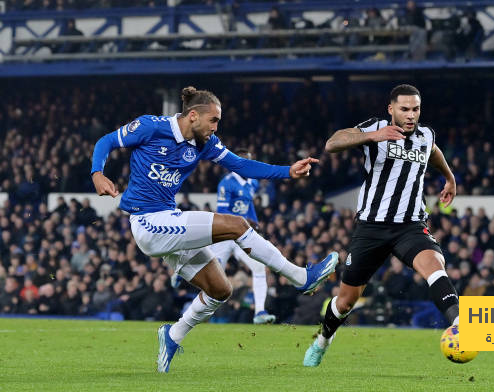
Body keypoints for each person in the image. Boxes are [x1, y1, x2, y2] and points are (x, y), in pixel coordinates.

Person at [91, 86, 339, 373]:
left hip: (169, 221)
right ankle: (300, 277)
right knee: (236, 224)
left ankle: (173, 336)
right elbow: (106, 141)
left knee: (221, 290)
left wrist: (287, 171)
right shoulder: (150, 126)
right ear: (193, 115)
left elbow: (241, 164)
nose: (216, 127)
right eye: (214, 120)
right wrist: (97, 173)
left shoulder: (205, 143)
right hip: (147, 221)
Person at [303, 84, 460, 367]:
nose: (411, 115)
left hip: (410, 225)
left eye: (415, 109)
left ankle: (459, 327)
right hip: (371, 227)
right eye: (404, 109)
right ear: (391, 109)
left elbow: (432, 150)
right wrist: (372, 136)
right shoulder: (375, 127)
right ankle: (323, 340)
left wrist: (449, 177)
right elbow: (332, 143)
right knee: (345, 301)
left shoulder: (425, 135)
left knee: (435, 266)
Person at [211, 147, 276, 324]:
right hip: (224, 235)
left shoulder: (252, 183)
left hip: (241, 235)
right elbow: (222, 212)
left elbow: (249, 205)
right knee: (212, 274)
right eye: (246, 162)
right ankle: (182, 273)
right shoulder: (226, 183)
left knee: (258, 267)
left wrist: (254, 221)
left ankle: (260, 312)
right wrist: (246, 220)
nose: (250, 165)